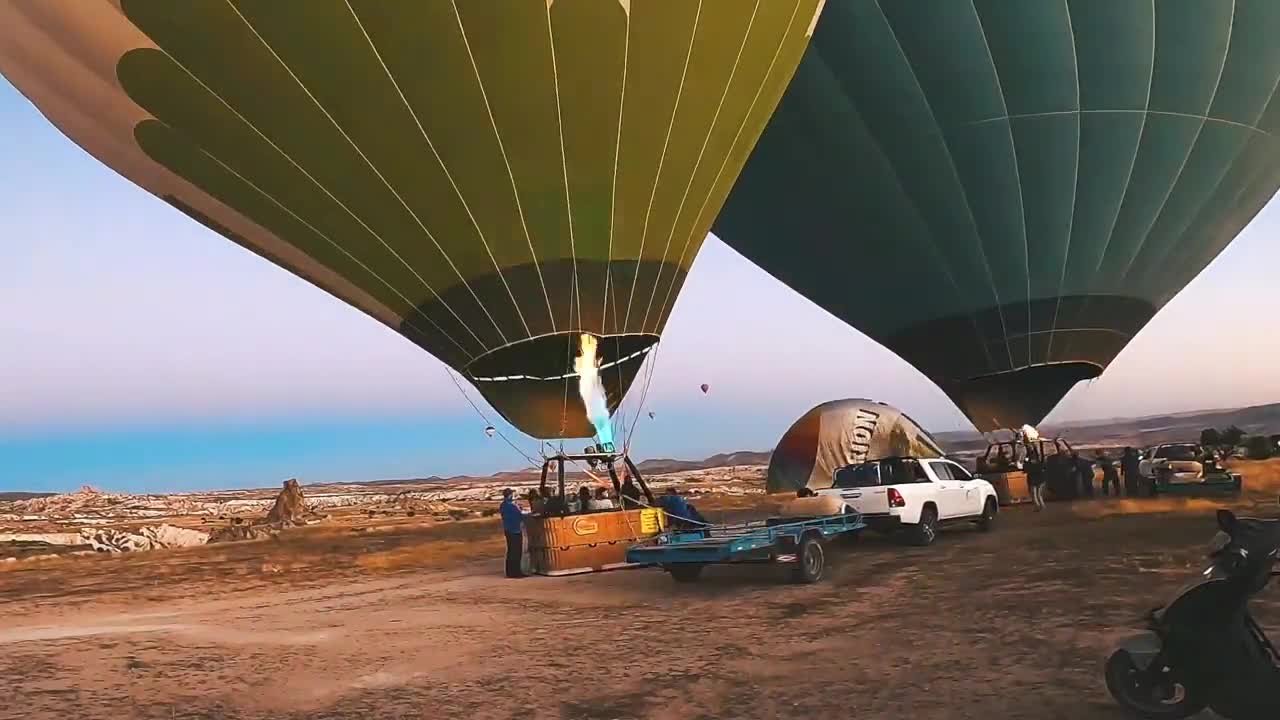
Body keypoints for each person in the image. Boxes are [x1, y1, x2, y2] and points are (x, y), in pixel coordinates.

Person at [499, 488, 526, 579]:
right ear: (510, 495)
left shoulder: (503, 505)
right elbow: (519, 516)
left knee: (511, 551)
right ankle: (516, 572)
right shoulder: (511, 505)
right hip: (515, 530)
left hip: (508, 530)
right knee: (516, 552)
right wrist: (520, 510)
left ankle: (509, 572)